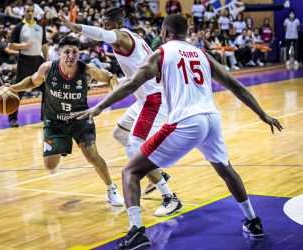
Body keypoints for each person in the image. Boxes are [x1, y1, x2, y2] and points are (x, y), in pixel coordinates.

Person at [75, 14, 283, 249]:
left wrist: (100, 107)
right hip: (211, 119)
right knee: (225, 169)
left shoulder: (161, 53)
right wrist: (262, 114)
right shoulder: (202, 54)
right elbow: (234, 84)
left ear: (164, 32)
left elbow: (133, 83)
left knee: (130, 171)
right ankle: (253, 220)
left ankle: (137, 232)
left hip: (186, 121)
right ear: (186, 31)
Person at [61, 7, 182, 217]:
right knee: (120, 134)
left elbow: (103, 34)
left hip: (154, 100)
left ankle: (169, 197)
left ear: (115, 22)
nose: (103, 24)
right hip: (146, 97)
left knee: (134, 148)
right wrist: (123, 80)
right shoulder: (132, 37)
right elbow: (140, 69)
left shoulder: (120, 37)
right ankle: (157, 172)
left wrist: (76, 27)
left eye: (105, 21)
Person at [0, 36, 124, 207]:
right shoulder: (48, 68)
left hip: (79, 120)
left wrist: (114, 86)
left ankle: (111, 189)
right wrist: (12, 88)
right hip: (55, 121)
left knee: (92, 155)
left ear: (79, 54)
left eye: (74, 52)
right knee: (50, 166)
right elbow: (31, 82)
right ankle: (61, 145)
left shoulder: (86, 70)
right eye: (66, 52)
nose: (70, 56)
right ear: (60, 53)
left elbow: (108, 77)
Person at [8, 3, 48, 127]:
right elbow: (10, 45)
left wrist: (46, 60)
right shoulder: (19, 27)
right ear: (24, 12)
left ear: (34, 12)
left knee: (47, 89)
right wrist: (23, 46)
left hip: (38, 61)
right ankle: (12, 119)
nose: (30, 13)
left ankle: (45, 117)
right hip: (24, 61)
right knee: (19, 90)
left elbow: (44, 44)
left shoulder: (40, 27)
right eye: (27, 11)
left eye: (31, 11)